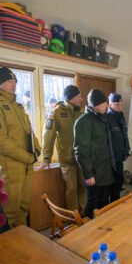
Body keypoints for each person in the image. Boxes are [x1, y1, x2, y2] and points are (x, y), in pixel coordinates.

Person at [0, 67, 41, 228]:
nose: (13, 84)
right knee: (10, 214)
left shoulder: (16, 106)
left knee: (24, 209)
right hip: (9, 171)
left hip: (25, 168)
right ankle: (14, 249)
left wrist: (36, 149)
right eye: (8, 81)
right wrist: (27, 157)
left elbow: (28, 131)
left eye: (14, 81)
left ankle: (23, 244)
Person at [40, 85, 86, 214]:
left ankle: (84, 215)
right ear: (70, 98)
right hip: (67, 159)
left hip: (82, 158)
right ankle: (74, 217)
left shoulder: (82, 111)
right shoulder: (57, 112)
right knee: (72, 189)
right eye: (78, 96)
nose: (81, 99)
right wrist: (46, 158)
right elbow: (48, 136)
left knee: (83, 187)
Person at [74, 89, 115, 218]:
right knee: (92, 204)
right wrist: (88, 174)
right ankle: (86, 232)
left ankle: (103, 230)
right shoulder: (83, 122)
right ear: (96, 105)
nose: (107, 106)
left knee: (104, 204)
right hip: (94, 173)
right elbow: (81, 151)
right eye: (104, 103)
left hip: (106, 170)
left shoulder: (104, 118)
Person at [107, 93, 131, 202]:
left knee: (119, 181)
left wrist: (127, 150)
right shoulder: (107, 118)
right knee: (113, 182)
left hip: (120, 154)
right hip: (111, 157)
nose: (119, 107)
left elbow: (124, 136)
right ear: (110, 104)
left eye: (120, 104)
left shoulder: (121, 116)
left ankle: (115, 203)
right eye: (117, 104)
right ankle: (111, 204)